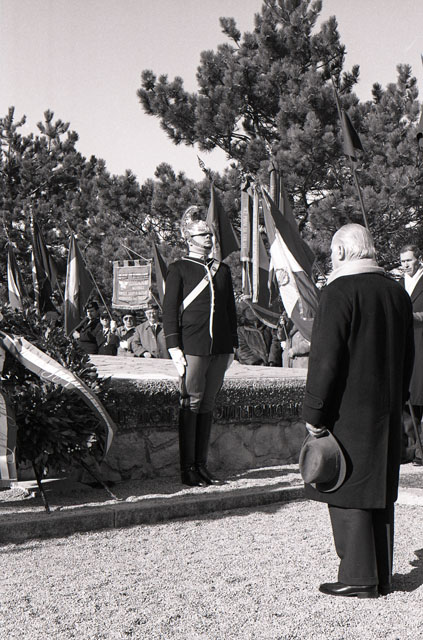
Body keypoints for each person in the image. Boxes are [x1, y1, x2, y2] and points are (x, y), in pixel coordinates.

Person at [302, 223, 414, 599]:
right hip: (386, 409)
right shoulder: (397, 293)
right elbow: (408, 356)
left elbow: (325, 360)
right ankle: (382, 575)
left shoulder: (338, 292)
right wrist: (399, 400)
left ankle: (359, 577)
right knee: (378, 490)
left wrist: (314, 411)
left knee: (347, 488)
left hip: (346, 410)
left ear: (341, 252)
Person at [162, 205, 238, 487]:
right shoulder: (179, 269)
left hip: (219, 346)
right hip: (192, 345)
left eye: (210, 234)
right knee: (191, 401)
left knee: (208, 403)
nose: (209, 238)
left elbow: (230, 311)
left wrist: (232, 346)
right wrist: (174, 346)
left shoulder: (223, 270)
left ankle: (201, 465)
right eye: (203, 235)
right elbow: (170, 310)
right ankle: (188, 469)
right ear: (189, 239)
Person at [399, 244, 423, 465]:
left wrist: (414, 317)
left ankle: (420, 451)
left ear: (418, 259)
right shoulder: (398, 285)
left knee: (419, 395)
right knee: (406, 398)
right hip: (403, 346)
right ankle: (409, 449)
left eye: (409, 260)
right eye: (402, 261)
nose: (405, 265)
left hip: (421, 344)